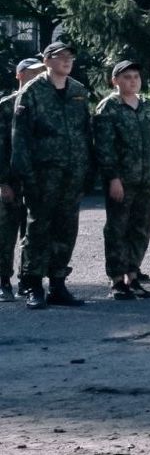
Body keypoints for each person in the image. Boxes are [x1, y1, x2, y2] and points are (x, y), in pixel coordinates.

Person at [10, 41, 96, 309]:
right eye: (61, 57)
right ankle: (33, 285)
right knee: (38, 228)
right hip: (42, 173)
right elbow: (20, 137)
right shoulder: (32, 91)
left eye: (70, 56)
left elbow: (86, 133)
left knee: (66, 227)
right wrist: (25, 175)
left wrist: (88, 172)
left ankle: (58, 283)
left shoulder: (78, 91)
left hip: (73, 173)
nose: (67, 61)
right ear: (47, 61)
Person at [94, 59, 150, 300]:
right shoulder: (108, 108)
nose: (133, 81)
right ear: (115, 81)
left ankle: (133, 276)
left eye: (136, 76)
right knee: (117, 230)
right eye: (126, 77)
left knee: (141, 229)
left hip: (146, 181)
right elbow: (104, 148)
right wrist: (112, 178)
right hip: (122, 181)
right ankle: (117, 280)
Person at [0, 57, 45, 301]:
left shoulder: (43, 104)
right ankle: (2, 280)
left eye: (40, 73)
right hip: (12, 180)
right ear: (19, 76)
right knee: (5, 233)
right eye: (31, 73)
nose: (36, 77)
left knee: (33, 233)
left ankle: (27, 280)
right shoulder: (5, 105)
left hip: (37, 179)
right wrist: (2, 182)